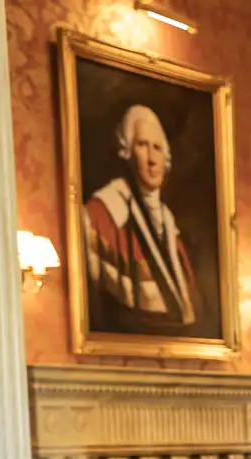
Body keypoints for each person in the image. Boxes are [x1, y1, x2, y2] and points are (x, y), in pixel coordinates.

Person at [84, 105, 198, 330]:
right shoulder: (101, 214)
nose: (152, 159)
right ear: (127, 151)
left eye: (157, 148)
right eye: (142, 145)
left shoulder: (169, 225)